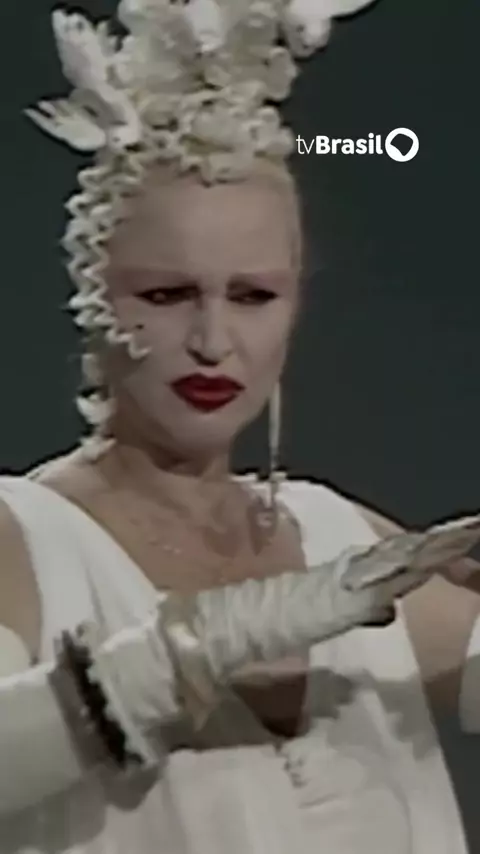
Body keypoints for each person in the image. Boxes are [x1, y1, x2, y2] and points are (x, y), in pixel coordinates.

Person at [1, 1, 480, 852]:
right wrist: (196, 651)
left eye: (254, 296)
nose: (214, 341)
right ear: (93, 299)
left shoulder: (337, 535)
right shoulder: (24, 539)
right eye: (167, 294)